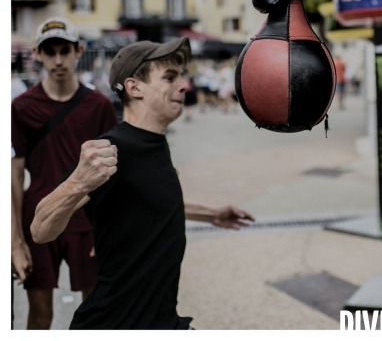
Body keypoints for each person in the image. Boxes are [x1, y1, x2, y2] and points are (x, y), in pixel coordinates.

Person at [30, 37, 255, 329]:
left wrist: (211, 215)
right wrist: (77, 182)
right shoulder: (112, 149)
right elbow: (40, 229)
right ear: (135, 87)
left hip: (161, 320)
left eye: (181, 77)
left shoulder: (154, 141)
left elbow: (147, 200)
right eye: (170, 77)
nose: (184, 86)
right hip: (117, 323)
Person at [11, 17, 118, 329]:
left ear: (77, 51)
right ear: (38, 54)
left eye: (64, 51)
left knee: (94, 313)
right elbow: (14, 176)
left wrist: (109, 231)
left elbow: (112, 171)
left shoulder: (99, 105)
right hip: (38, 219)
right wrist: (15, 241)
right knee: (41, 316)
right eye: (50, 52)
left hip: (88, 222)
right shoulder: (21, 107)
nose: (58, 60)